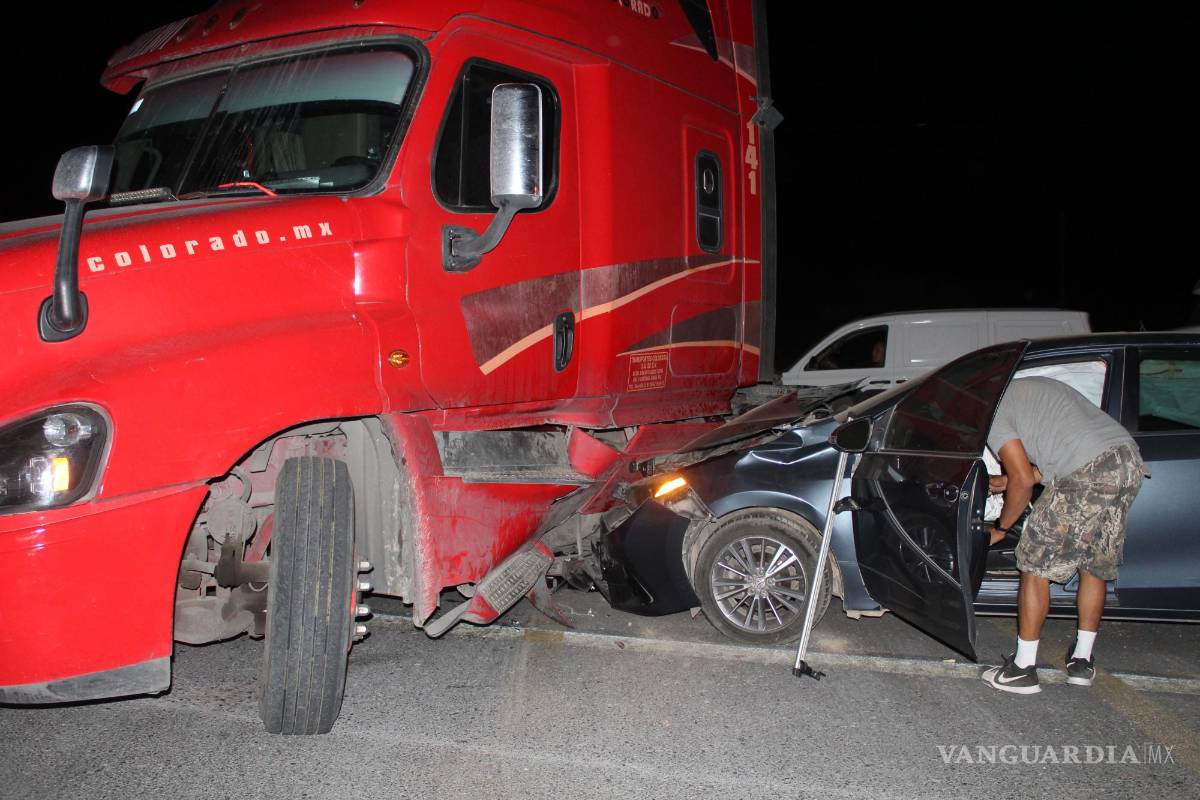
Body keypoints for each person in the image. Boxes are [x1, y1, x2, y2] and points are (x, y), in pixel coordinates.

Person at [980, 376, 1148, 695]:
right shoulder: (1030, 389)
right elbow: (1057, 453)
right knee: (1092, 565)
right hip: (1127, 462)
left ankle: (1022, 670)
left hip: (1087, 470)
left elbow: (1023, 481)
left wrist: (1001, 528)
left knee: (1034, 565)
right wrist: (1008, 480)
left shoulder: (993, 410)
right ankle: (1082, 662)